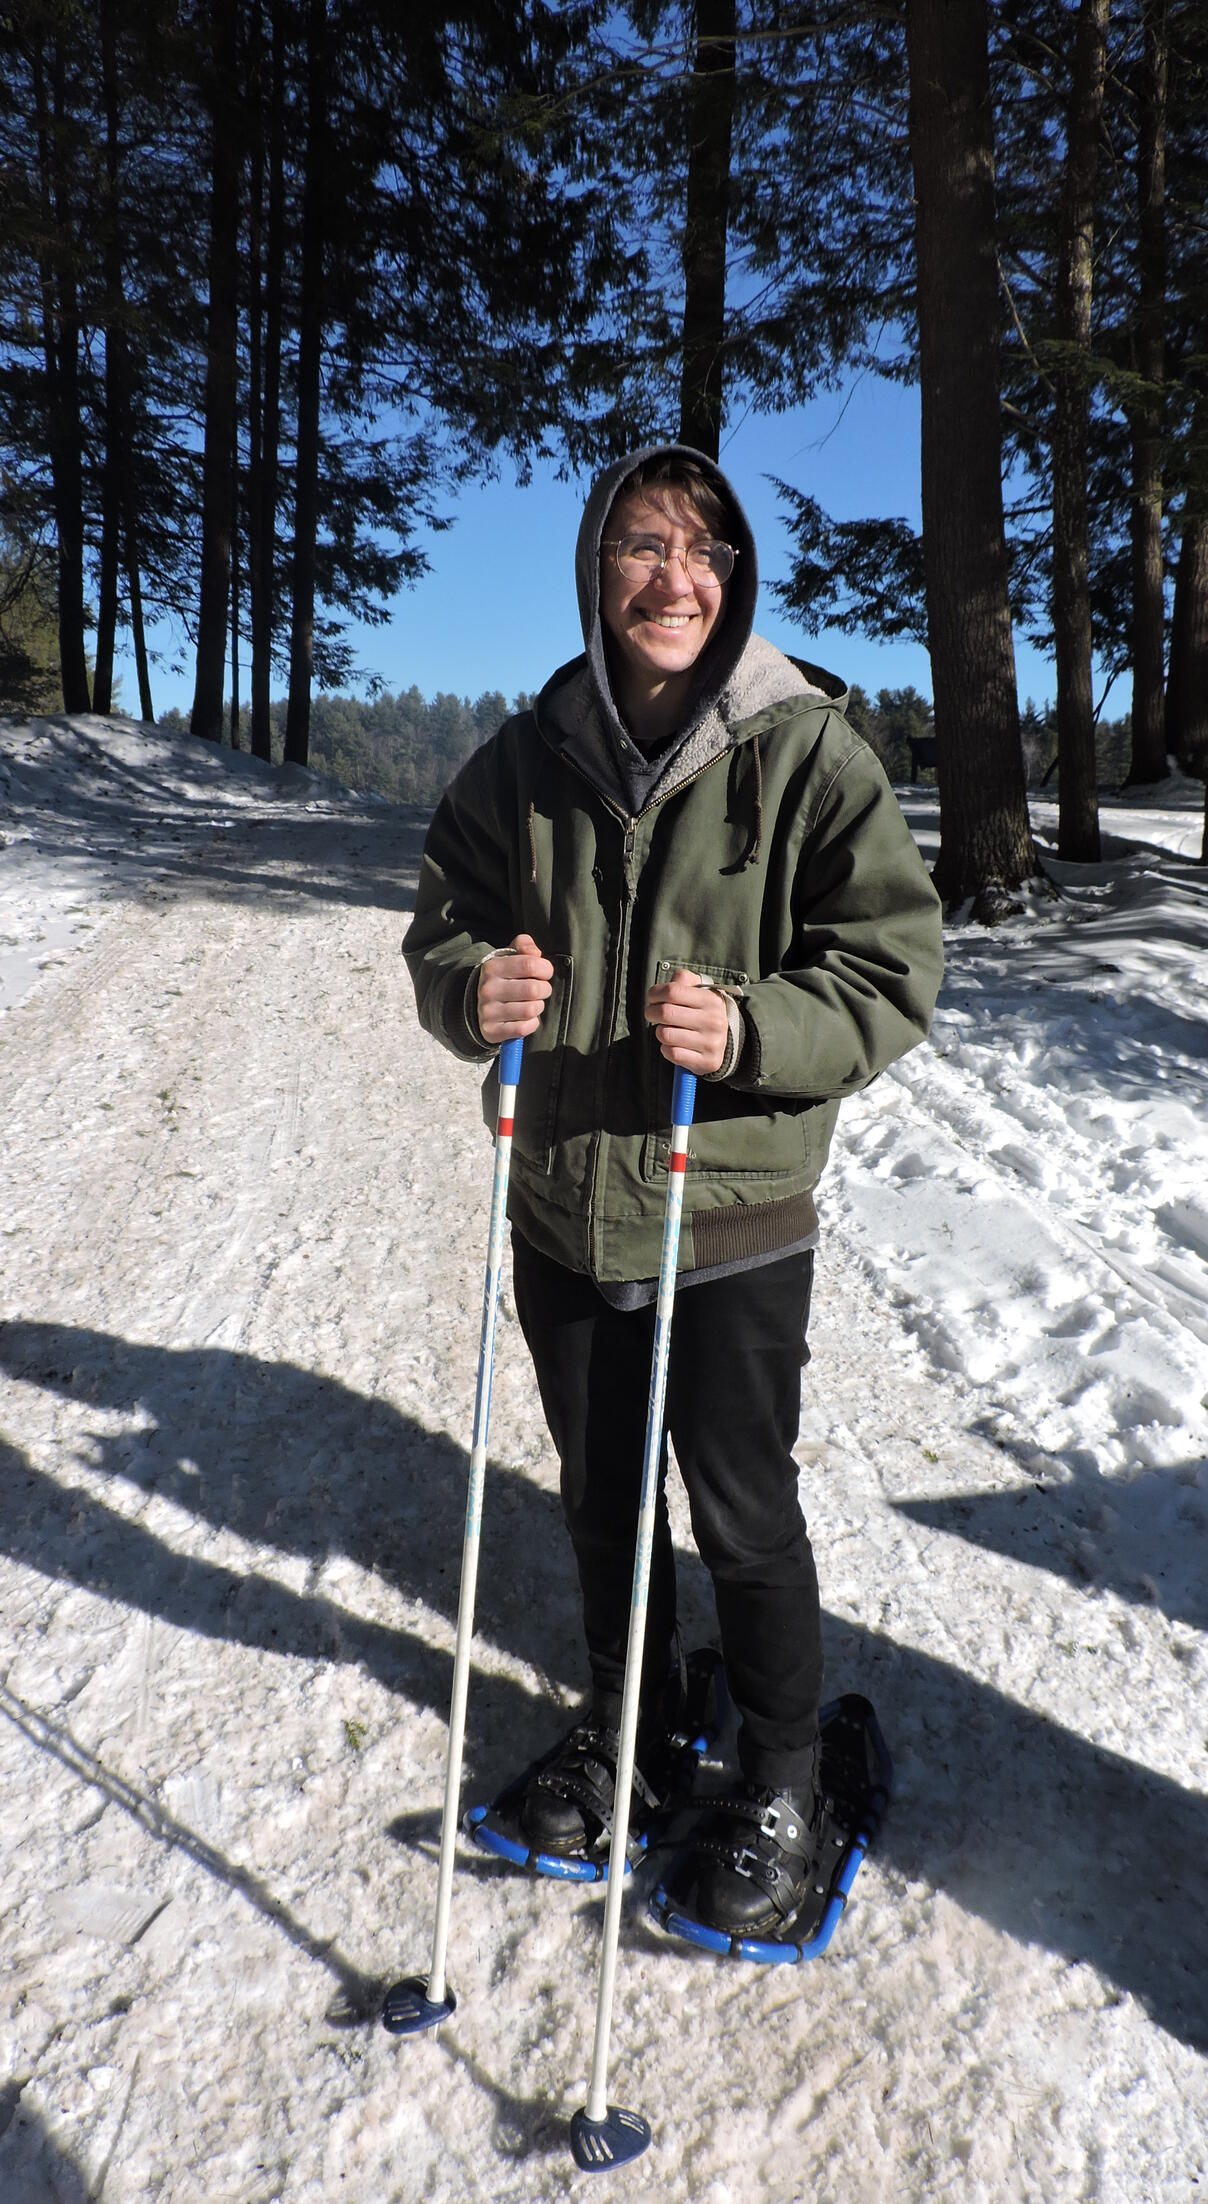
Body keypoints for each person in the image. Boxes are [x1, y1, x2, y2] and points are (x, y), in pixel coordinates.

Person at [403, 443, 943, 1937]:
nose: (674, 576)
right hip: (568, 1195)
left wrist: (760, 1026)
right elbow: (444, 916)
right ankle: (634, 1723)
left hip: (734, 1205)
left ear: (736, 576)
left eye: (702, 549)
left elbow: (894, 969)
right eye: (643, 543)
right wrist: (475, 991)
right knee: (601, 1497)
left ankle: (782, 1770)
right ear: (596, 567)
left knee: (742, 1505)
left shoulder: (807, 748)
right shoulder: (531, 751)